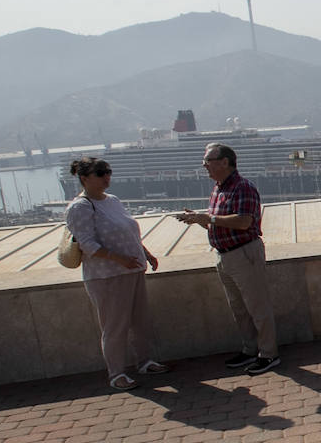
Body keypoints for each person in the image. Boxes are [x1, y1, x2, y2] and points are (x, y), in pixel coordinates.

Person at [65, 157, 168, 391]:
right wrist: (119, 259)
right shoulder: (80, 207)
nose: (106, 177)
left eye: (108, 172)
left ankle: (145, 361)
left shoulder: (113, 200)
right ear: (84, 178)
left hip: (133, 269)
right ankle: (117, 373)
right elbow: (87, 244)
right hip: (107, 276)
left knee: (140, 320)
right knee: (115, 326)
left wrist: (145, 253)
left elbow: (128, 232)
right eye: (100, 173)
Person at [175, 143, 279, 376]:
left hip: (244, 253)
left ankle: (269, 353)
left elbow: (244, 221)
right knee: (239, 308)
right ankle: (250, 349)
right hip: (224, 255)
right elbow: (217, 222)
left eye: (208, 161)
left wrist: (208, 218)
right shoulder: (218, 189)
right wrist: (198, 219)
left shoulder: (243, 187)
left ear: (224, 162)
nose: (204, 165)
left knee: (257, 306)